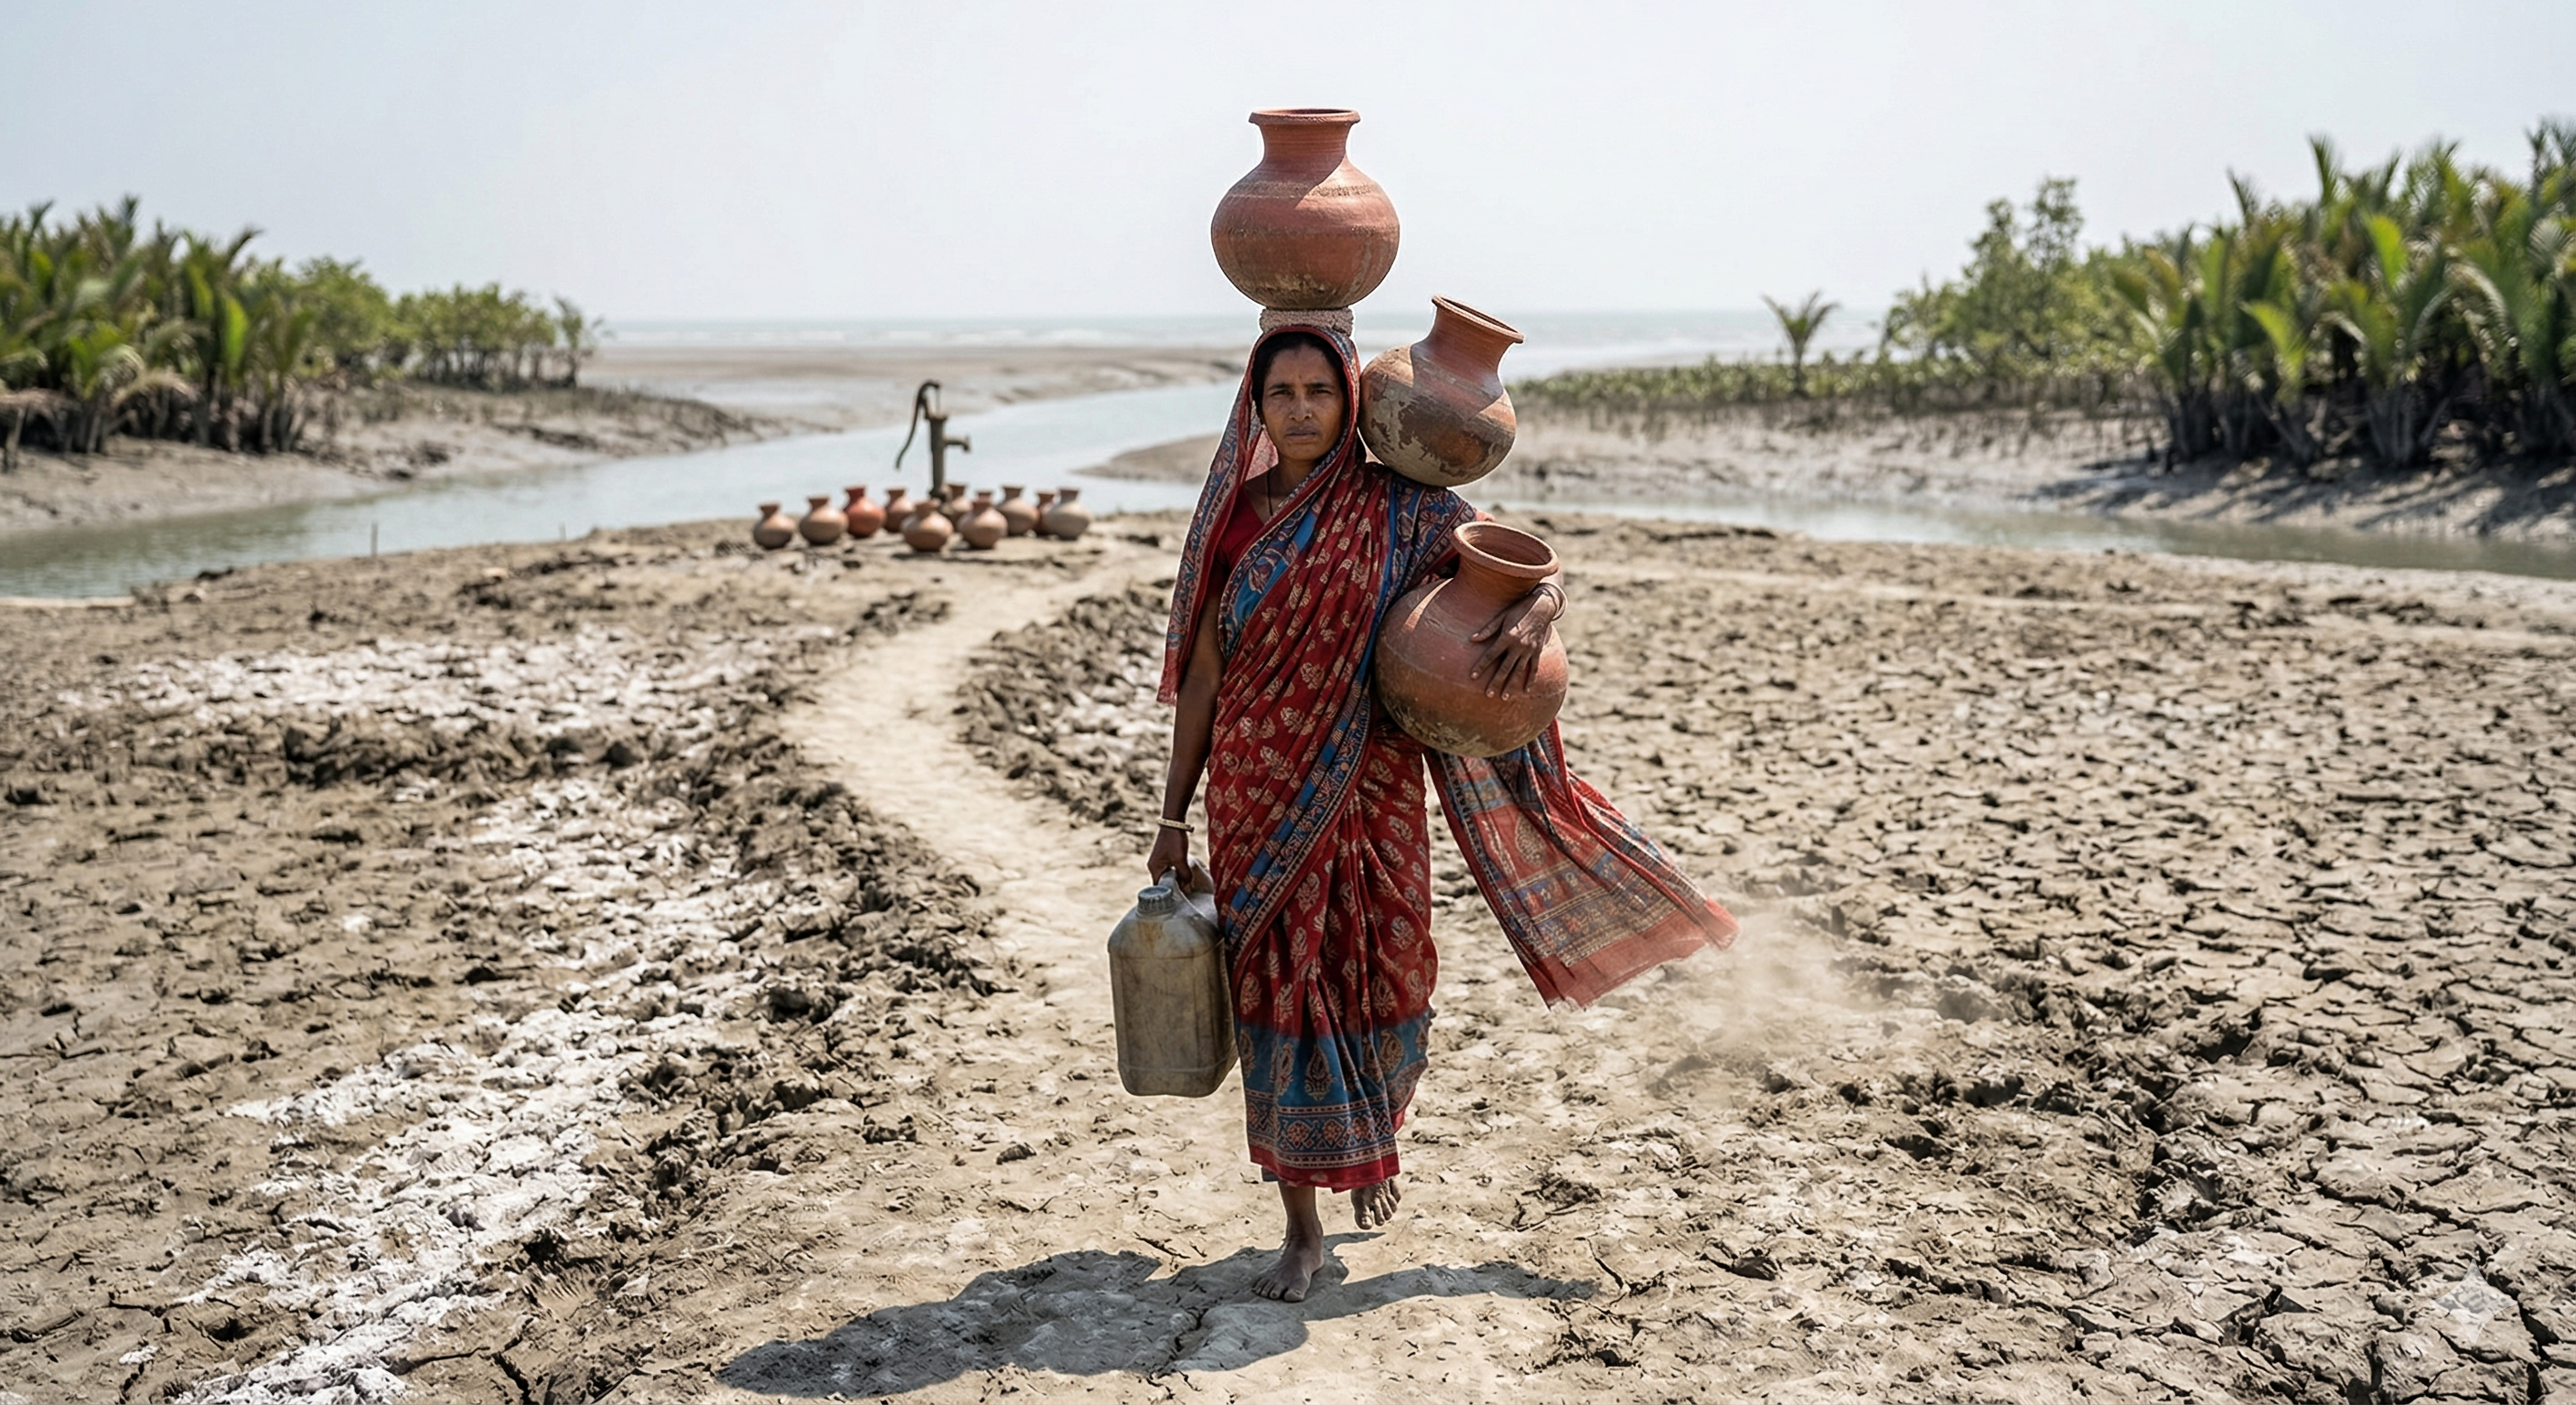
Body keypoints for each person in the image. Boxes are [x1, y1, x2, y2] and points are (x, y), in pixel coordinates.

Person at [1148, 321, 1736, 1303]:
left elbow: (1528, 567)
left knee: (1383, 960)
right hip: (1256, 784)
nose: (1298, 410)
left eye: (1317, 392)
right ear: (1254, 408)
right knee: (1275, 990)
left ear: (1352, 405)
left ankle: (1367, 1136)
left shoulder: (1404, 510)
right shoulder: (1233, 522)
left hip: (1371, 778)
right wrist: (1172, 817)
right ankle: (1299, 1225)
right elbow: (1204, 677)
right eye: (1279, 393)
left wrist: (1539, 613)